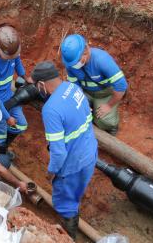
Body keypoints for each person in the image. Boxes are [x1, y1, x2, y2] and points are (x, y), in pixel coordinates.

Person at [31, 61, 98, 240]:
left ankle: (68, 236)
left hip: (72, 166)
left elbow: (59, 153)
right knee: (76, 193)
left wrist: (52, 173)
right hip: (90, 152)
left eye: (37, 86)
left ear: (42, 85)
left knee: (65, 205)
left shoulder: (50, 109)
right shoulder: (72, 87)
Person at [61, 34, 128, 135]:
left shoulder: (102, 60)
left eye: (77, 61)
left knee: (105, 121)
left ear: (86, 50)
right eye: (73, 63)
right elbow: (74, 86)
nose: (75, 65)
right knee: (72, 112)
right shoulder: (71, 64)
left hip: (104, 94)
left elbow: (121, 86)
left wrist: (109, 106)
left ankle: (111, 129)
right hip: (86, 92)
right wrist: (82, 102)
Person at [0, 25, 33, 155]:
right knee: (1, 133)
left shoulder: (12, 50)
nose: (11, 58)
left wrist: (25, 77)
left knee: (22, 125)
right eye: (8, 56)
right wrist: (7, 117)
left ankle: (0, 139)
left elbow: (18, 61)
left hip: (8, 96)